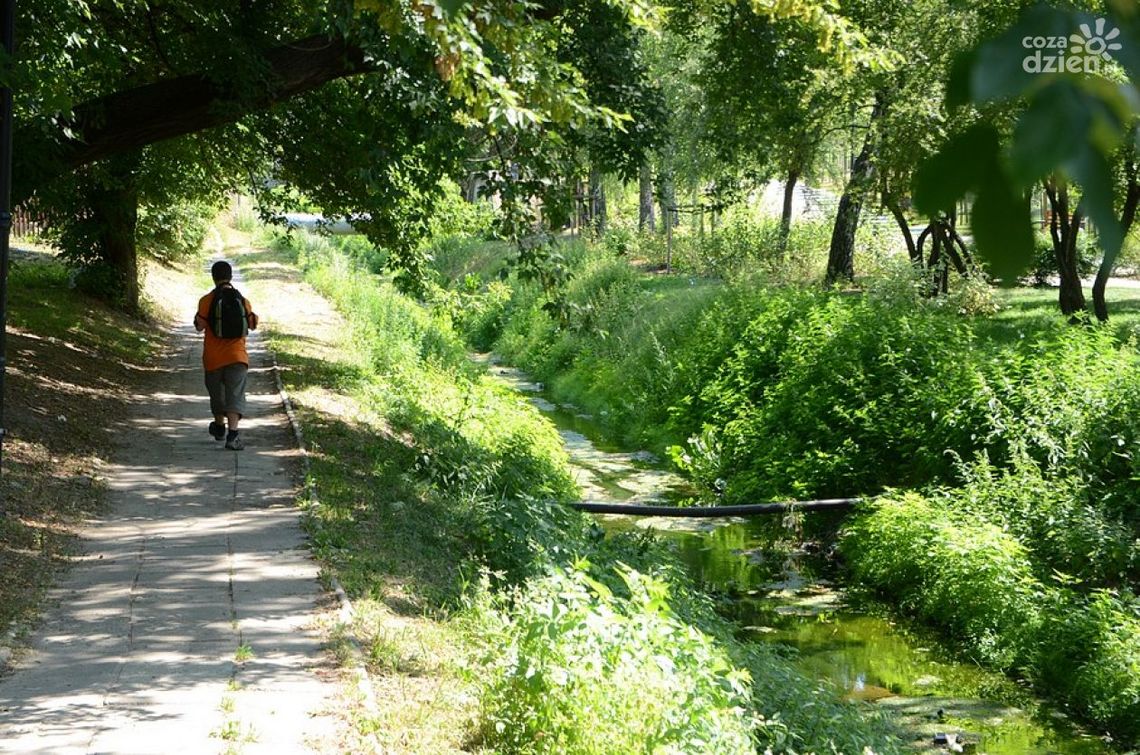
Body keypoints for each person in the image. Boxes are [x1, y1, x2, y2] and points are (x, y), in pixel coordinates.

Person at [193, 261, 259, 450]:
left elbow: (200, 326)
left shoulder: (206, 300)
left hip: (213, 358)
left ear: (213, 277)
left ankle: (219, 426)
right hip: (237, 357)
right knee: (235, 395)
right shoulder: (243, 300)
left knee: (217, 394)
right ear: (230, 276)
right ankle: (233, 435)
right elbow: (253, 324)